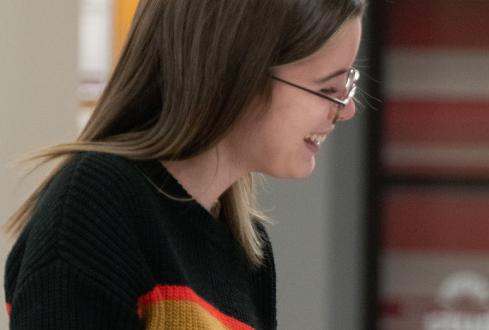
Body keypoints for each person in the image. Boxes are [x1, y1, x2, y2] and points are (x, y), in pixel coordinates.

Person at [4, 0, 364, 328]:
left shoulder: (250, 252)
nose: (347, 110)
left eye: (347, 86)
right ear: (236, 73)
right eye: (328, 89)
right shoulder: (97, 205)